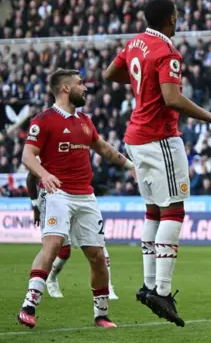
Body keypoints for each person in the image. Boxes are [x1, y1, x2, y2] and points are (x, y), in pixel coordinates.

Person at [104, 0, 211, 326]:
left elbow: (110, 73)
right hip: (159, 137)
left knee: (153, 210)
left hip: (135, 137)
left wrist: (140, 85)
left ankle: (148, 286)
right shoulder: (166, 51)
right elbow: (172, 99)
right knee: (174, 210)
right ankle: (161, 289)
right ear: (171, 19)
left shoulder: (135, 43)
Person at [18, 68, 135, 329]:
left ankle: (101, 314)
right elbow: (27, 156)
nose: (85, 88)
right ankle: (29, 305)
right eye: (80, 83)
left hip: (86, 195)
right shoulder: (44, 120)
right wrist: (44, 174)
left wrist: (130, 166)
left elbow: (103, 148)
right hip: (57, 193)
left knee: (97, 256)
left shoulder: (84, 120)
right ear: (65, 88)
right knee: (54, 245)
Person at [27, 171, 118, 299]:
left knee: (97, 245)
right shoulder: (45, 154)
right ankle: (51, 279)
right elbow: (31, 176)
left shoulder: (81, 152)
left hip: (80, 197)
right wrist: (35, 205)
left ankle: (107, 287)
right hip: (53, 197)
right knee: (63, 251)